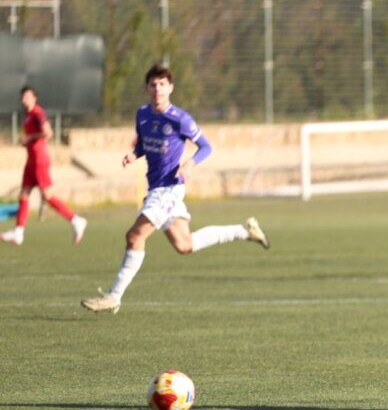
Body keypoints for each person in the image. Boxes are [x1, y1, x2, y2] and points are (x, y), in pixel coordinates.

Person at [80, 65, 270, 314]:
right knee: (184, 245)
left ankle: (114, 296)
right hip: (157, 188)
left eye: (162, 84)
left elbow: (206, 147)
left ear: (170, 88)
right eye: (153, 84)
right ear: (147, 88)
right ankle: (244, 231)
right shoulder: (142, 115)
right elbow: (144, 145)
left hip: (169, 190)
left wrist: (190, 163)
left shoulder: (180, 119)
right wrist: (133, 155)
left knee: (135, 236)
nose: (157, 89)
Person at [1, 86, 87, 246]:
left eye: (27, 96)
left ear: (34, 98)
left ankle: (76, 220)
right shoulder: (28, 116)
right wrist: (26, 140)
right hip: (31, 160)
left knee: (47, 196)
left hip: (40, 159)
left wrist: (28, 138)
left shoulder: (37, 112)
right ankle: (18, 233)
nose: (24, 99)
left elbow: (48, 132)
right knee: (23, 195)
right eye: (22, 97)